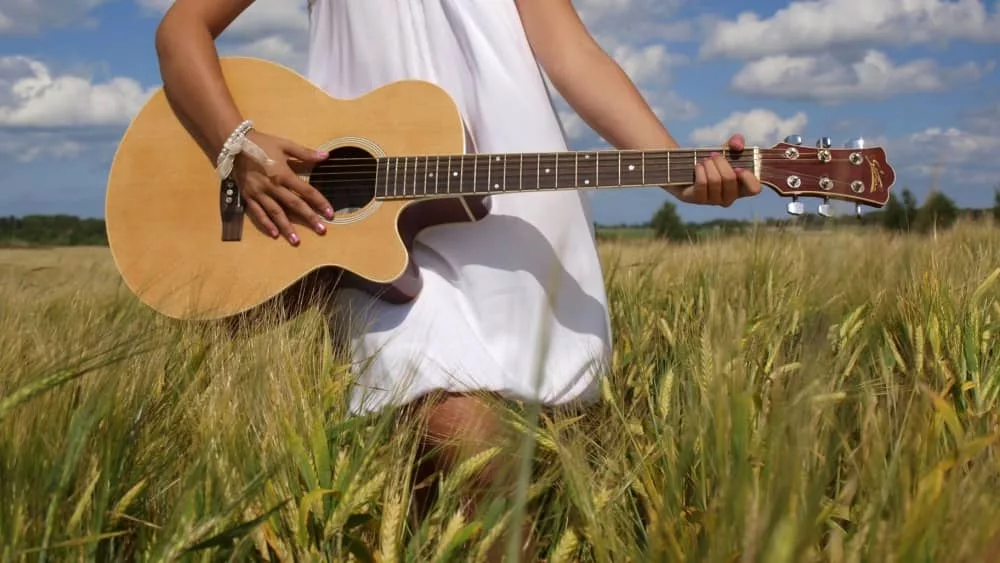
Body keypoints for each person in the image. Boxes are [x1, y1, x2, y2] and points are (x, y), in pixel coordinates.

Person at [154, 0, 762, 557]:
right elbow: (181, 30)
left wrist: (676, 169)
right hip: (365, 224)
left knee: (494, 493)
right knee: (454, 430)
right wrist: (236, 147)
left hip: (519, 221)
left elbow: (570, 52)